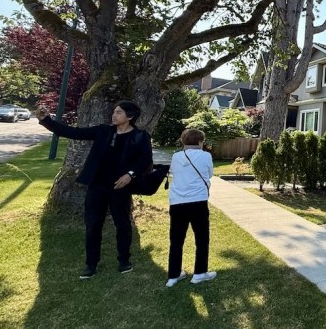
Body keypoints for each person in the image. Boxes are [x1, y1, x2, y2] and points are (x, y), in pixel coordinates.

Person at [36, 101, 152, 279]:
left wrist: (130, 175)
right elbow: (74, 133)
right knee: (93, 225)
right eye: (114, 112)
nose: (114, 115)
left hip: (120, 188)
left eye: (119, 112)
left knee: (122, 224)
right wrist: (47, 120)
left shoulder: (140, 136)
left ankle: (124, 260)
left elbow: (145, 160)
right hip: (97, 186)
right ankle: (91, 264)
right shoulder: (103, 131)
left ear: (130, 116)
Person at [166, 128, 216, 287]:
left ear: (183, 141)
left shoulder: (176, 156)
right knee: (201, 238)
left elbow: (173, 172)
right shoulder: (206, 156)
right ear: (200, 141)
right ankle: (200, 273)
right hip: (198, 201)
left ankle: (173, 275)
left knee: (176, 240)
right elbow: (209, 174)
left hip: (177, 202)